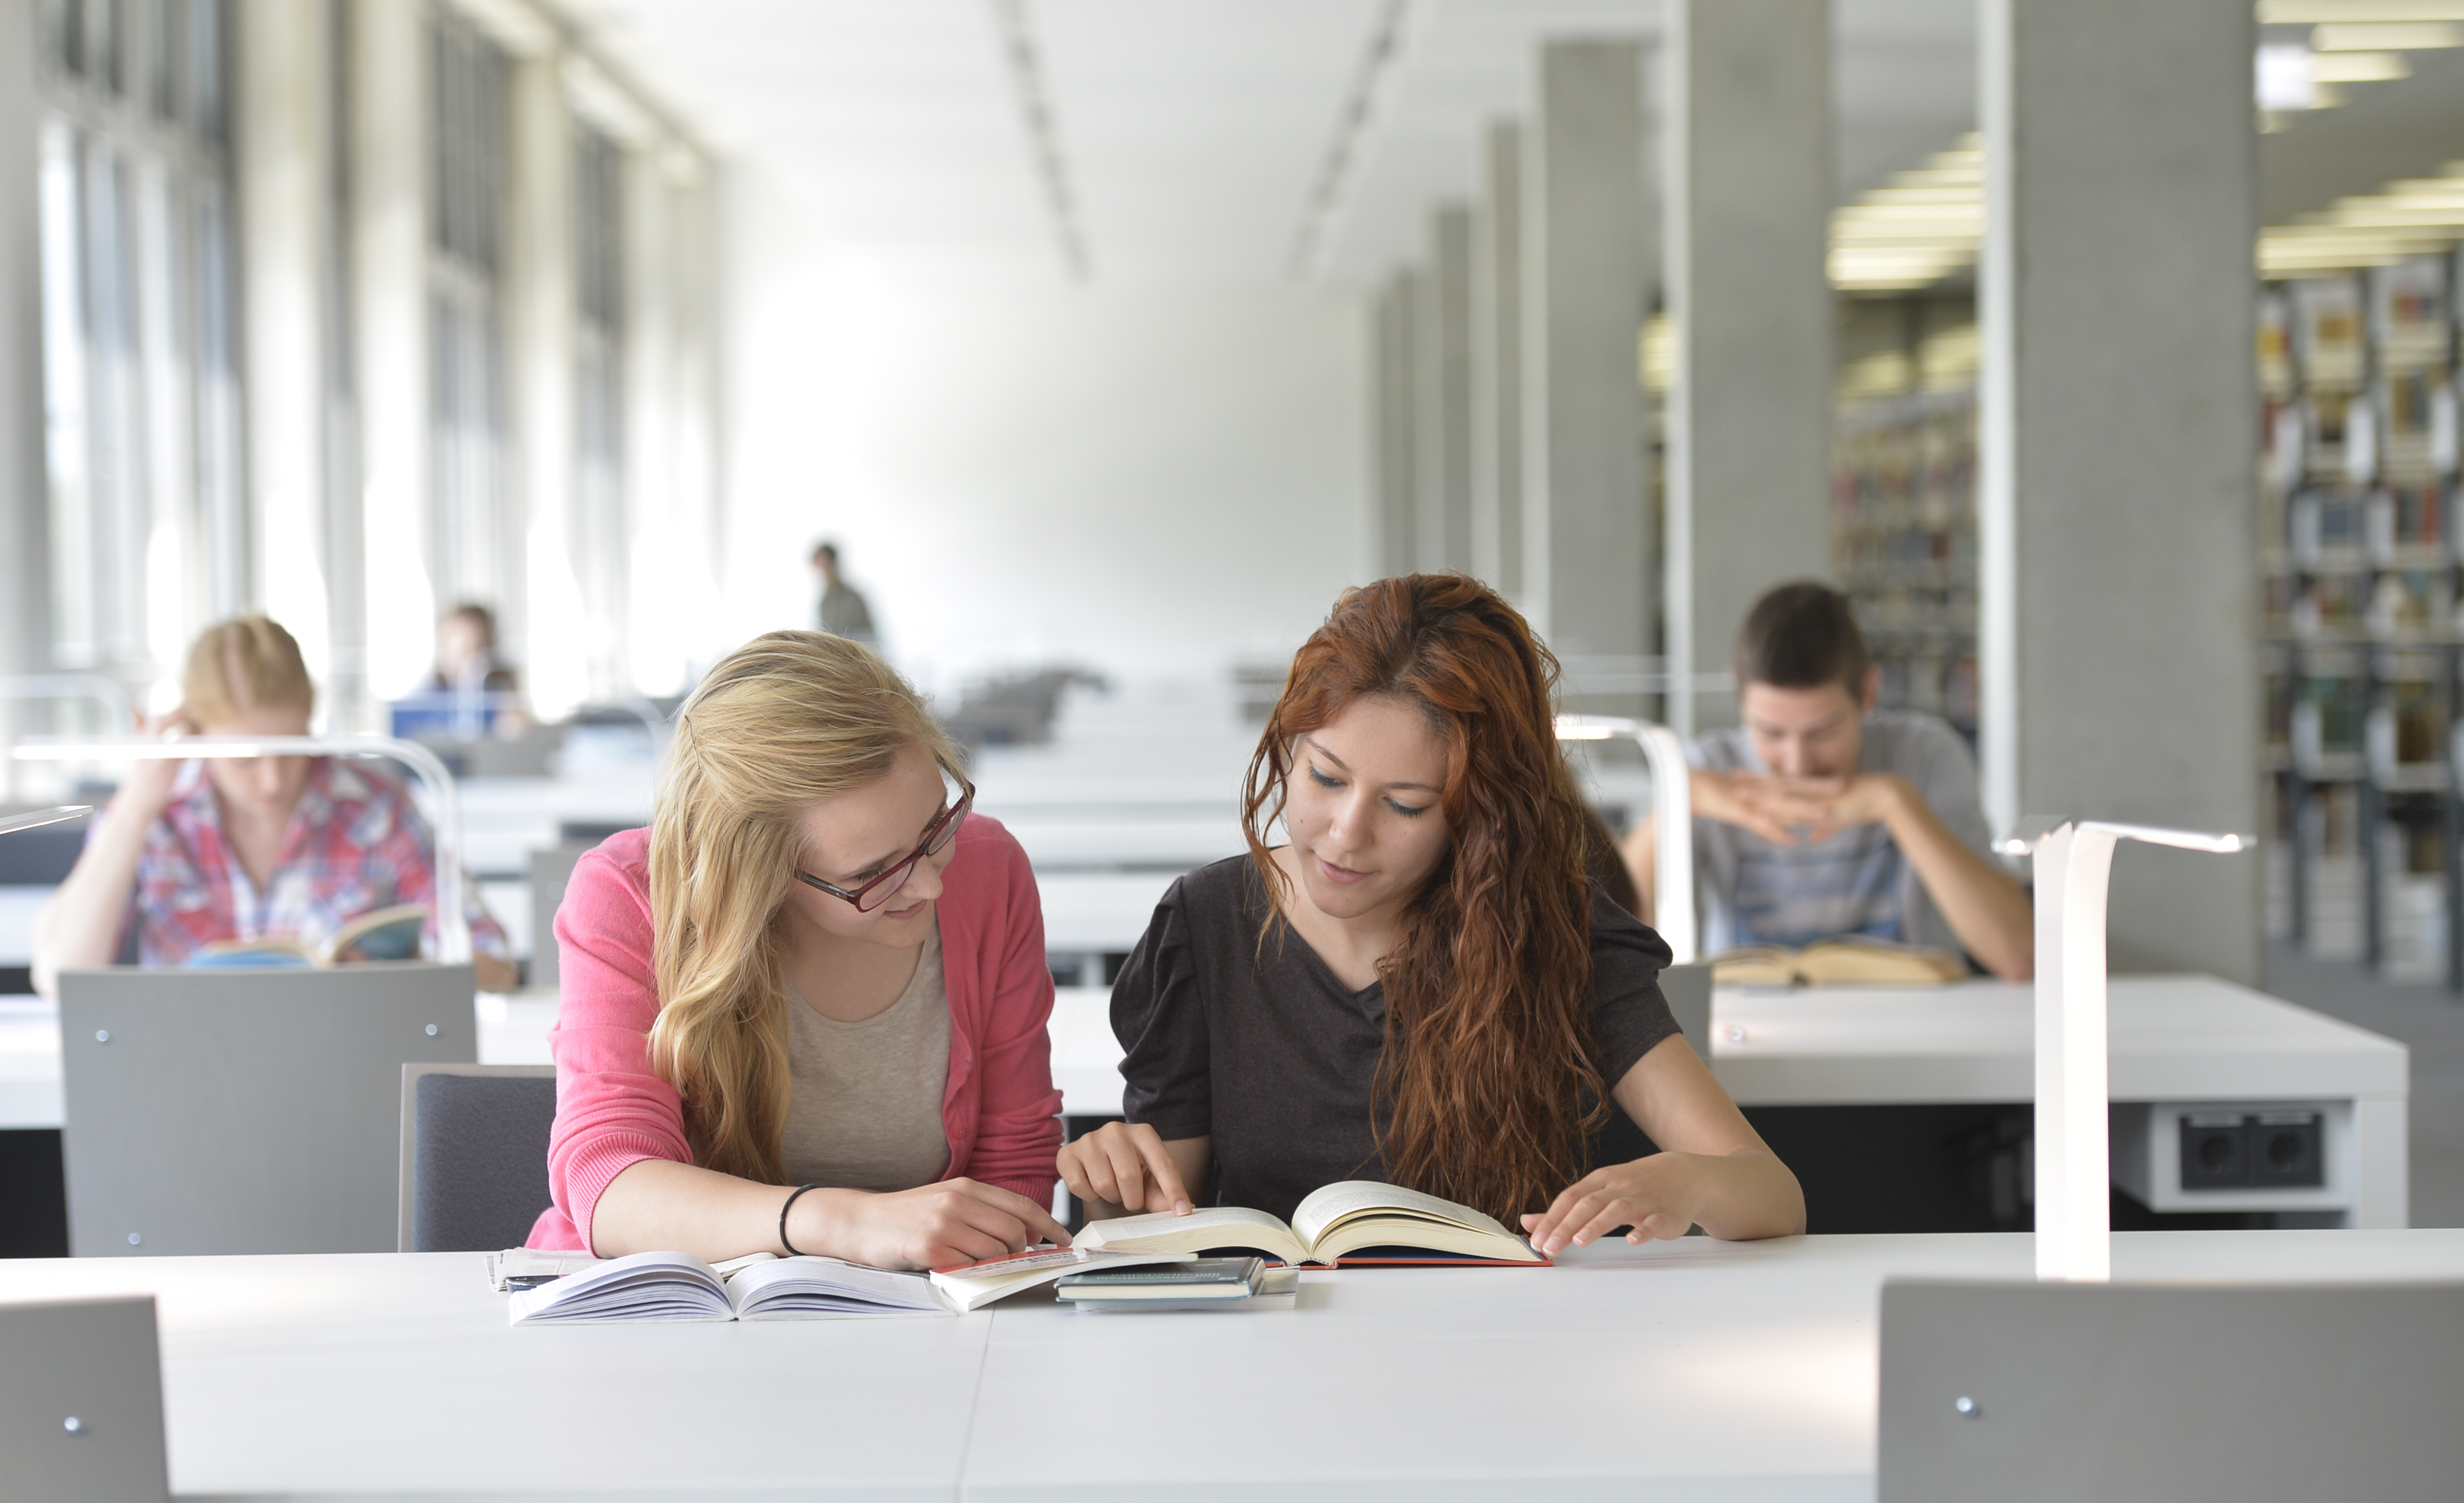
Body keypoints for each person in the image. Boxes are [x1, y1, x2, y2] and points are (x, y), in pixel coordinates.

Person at [1058, 574, 1803, 1256]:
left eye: (1405, 804)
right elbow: (1161, 1221)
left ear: (1477, 817)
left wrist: (1690, 1181)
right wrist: (1109, 1196)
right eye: (1324, 775)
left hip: (1504, 1349)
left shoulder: (1555, 928)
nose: (1347, 832)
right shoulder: (1205, 926)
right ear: (1289, 745)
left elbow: (1773, 1195)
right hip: (1271, 1356)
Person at [528, 629, 1069, 1268]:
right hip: (676, 1320)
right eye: (871, 873)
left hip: (918, 1317)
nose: (930, 881)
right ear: (759, 874)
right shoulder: (628, 893)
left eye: (934, 827)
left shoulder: (988, 868)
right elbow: (612, 1182)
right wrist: (840, 1223)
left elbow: (1013, 1161)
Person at [30, 614, 515, 995]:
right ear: (195, 734)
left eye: (292, 751)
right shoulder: (157, 815)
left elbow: (493, 961)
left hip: (345, 1071)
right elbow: (58, 974)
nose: (273, 780)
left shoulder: (375, 807)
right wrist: (135, 808)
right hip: (191, 1074)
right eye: (244, 761)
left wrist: (397, 976)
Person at [1622, 580, 2031, 980]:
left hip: (1911, 1024)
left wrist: (1897, 804)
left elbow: (2020, 958)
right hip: (1749, 1022)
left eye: (1822, 734)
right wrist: (1678, 803)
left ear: (1869, 691)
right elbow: (1609, 942)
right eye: (1770, 733)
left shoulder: (1926, 755)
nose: (1797, 765)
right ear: (1739, 695)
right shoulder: (1706, 768)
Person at [395, 601, 531, 741]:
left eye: (469, 649)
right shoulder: (428, 694)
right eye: (451, 648)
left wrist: (511, 723)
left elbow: (513, 738)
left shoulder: (499, 694)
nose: (461, 660)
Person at [809, 540, 879, 649]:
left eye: (824, 563)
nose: (822, 570)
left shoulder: (853, 598)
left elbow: (868, 637)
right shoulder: (825, 602)